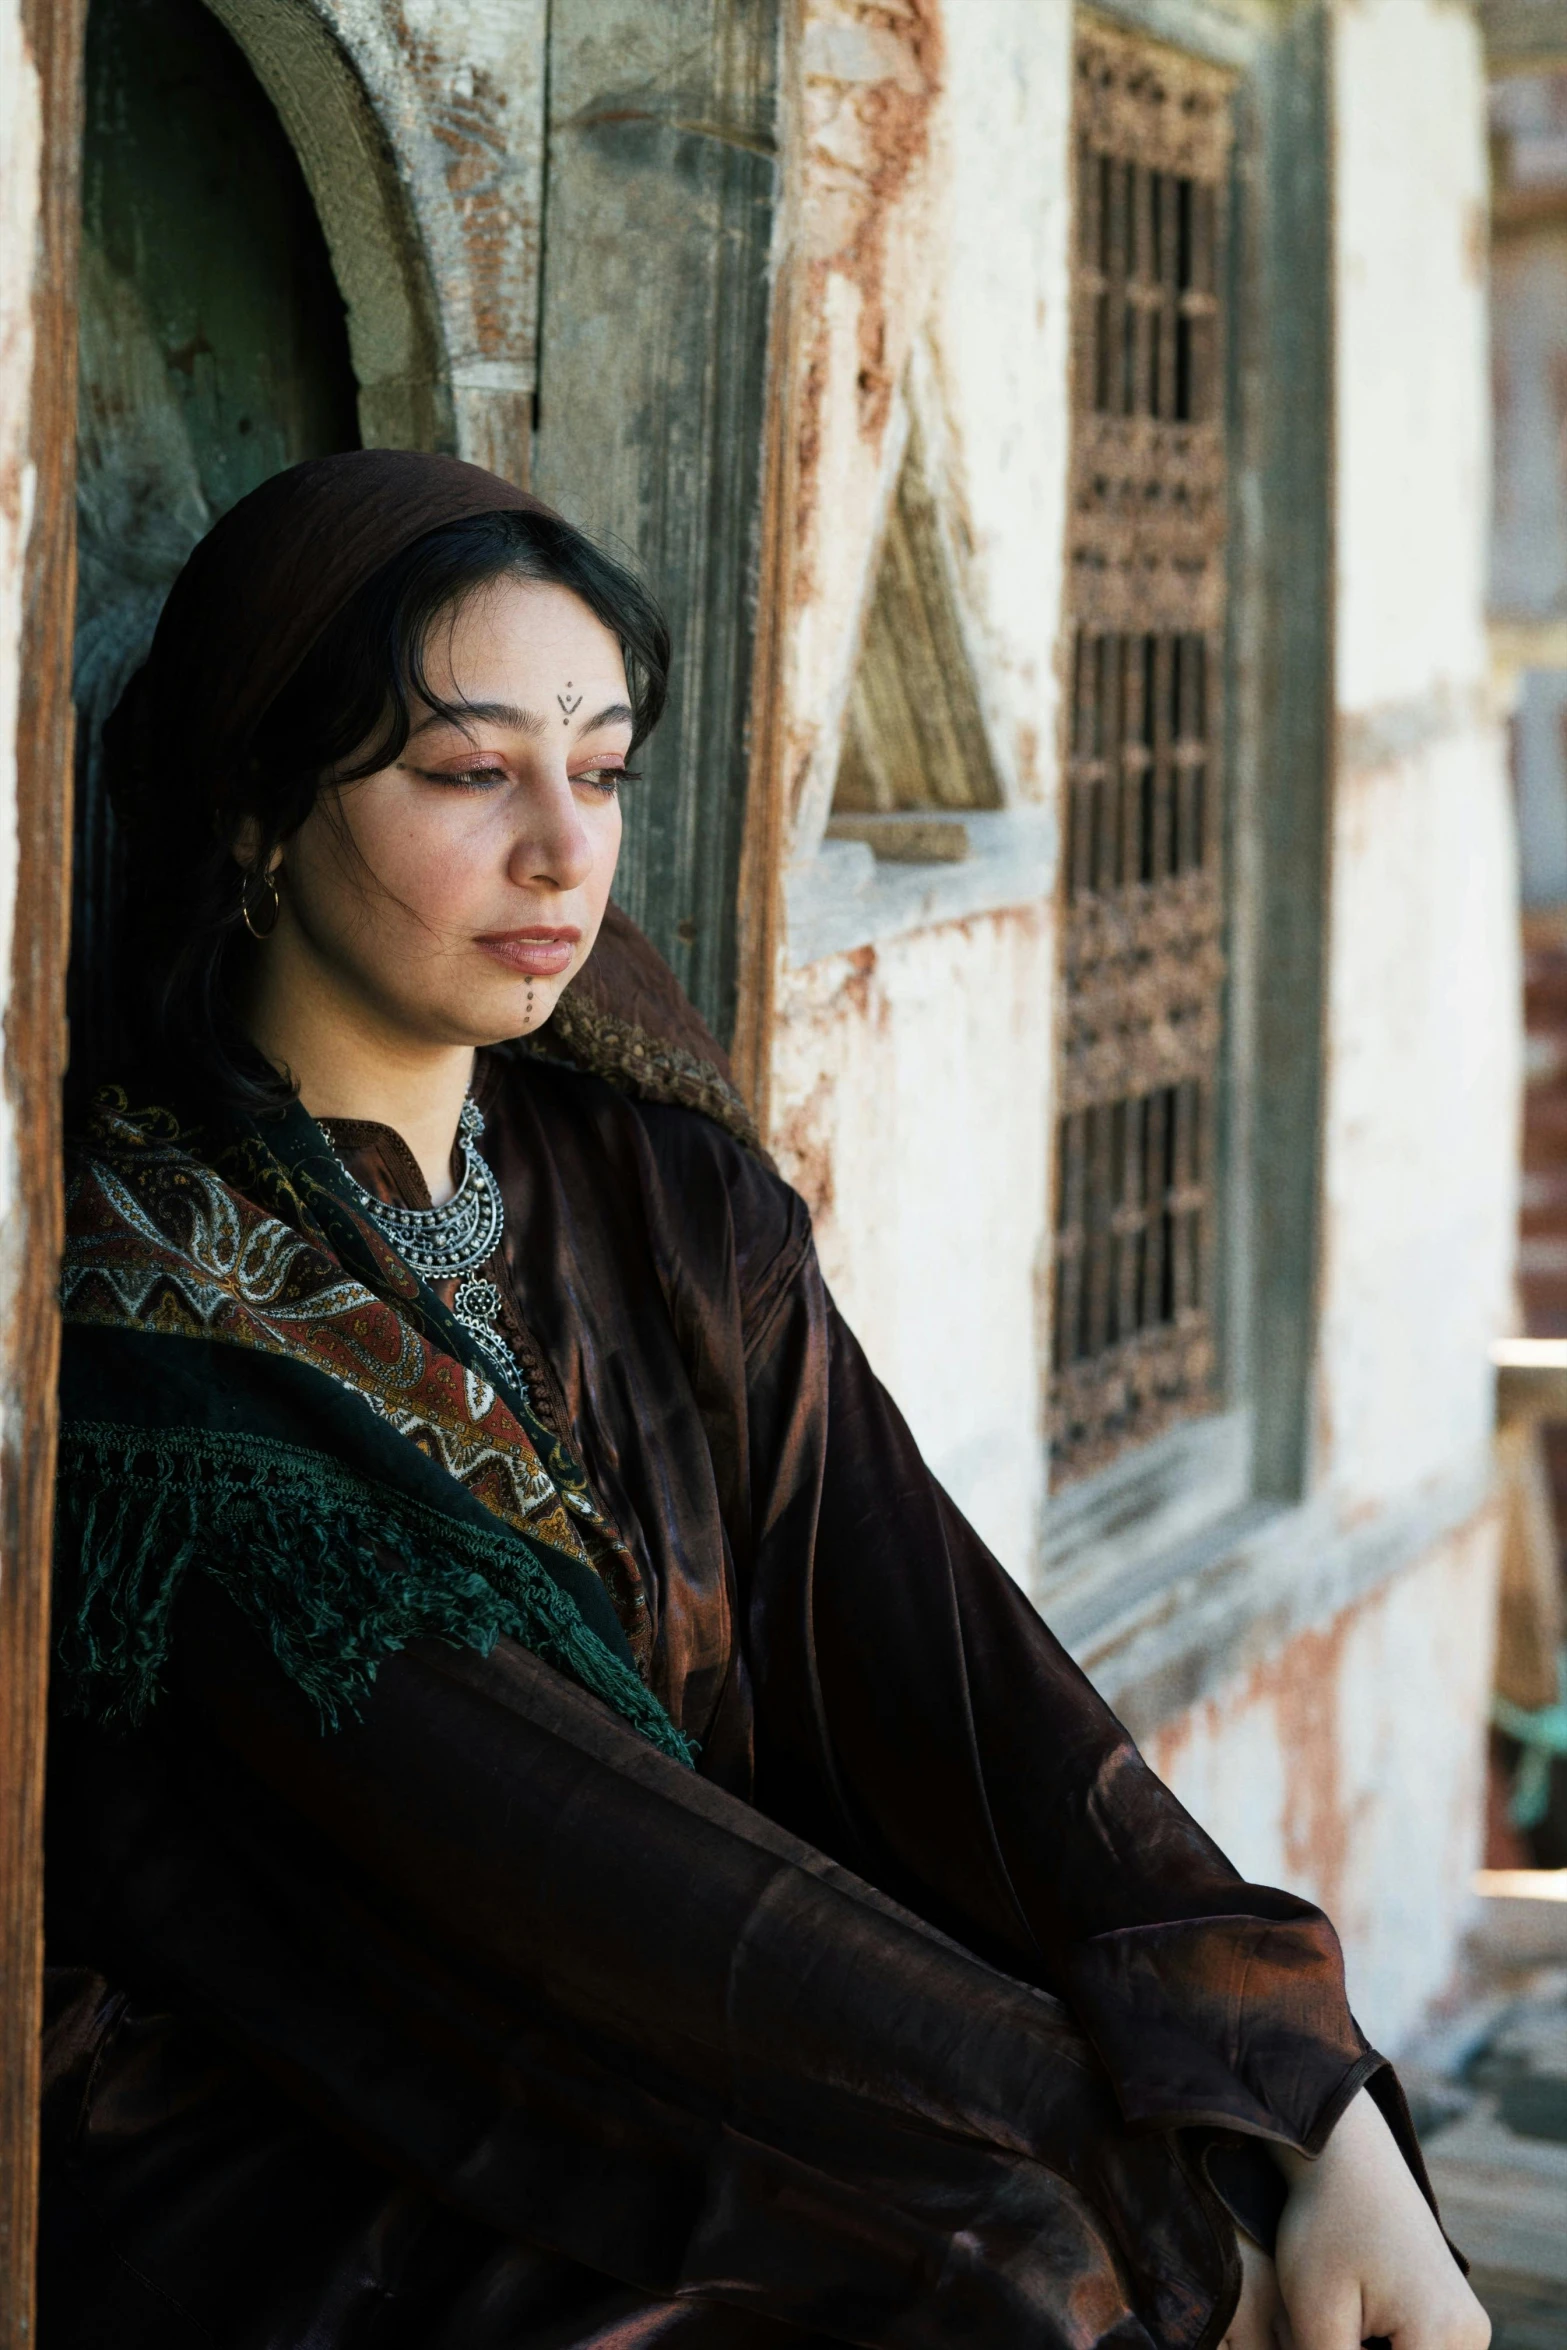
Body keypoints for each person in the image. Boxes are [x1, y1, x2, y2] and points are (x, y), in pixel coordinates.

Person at [42, 449, 1488, 2350]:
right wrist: (1123, 2161)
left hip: (689, 2042)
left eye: (604, 765)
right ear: (254, 808)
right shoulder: (167, 1307)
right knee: (1029, 2258)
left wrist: (1301, 2097)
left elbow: (951, 1674)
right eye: (468, 772)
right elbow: (573, 1884)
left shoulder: (650, 1187)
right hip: (321, 2126)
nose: (563, 849)